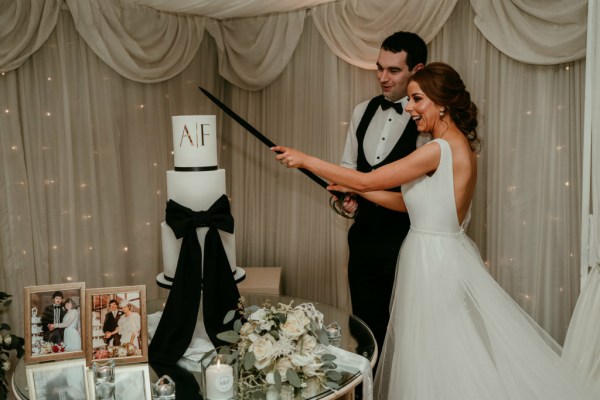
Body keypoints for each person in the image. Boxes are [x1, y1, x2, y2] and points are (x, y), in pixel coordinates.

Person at [273, 62, 598, 399]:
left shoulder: (438, 149)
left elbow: (368, 177)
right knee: (440, 350)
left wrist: (306, 160)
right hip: (438, 255)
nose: (410, 107)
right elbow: (410, 204)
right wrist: (351, 189)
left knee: (438, 350)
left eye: (417, 99)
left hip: (434, 263)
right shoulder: (457, 146)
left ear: (441, 103)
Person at [338, 31, 427, 354]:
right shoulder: (362, 111)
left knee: (406, 333)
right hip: (363, 241)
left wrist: (359, 186)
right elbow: (348, 169)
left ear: (417, 71)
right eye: (379, 68)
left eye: (393, 70)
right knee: (365, 331)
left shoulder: (425, 122)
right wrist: (345, 201)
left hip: (406, 243)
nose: (382, 78)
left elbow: (423, 194)